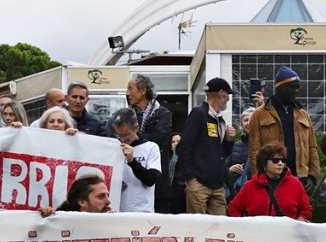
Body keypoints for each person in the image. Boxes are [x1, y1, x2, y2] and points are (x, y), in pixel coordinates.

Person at [244, 67, 322, 186]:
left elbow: (312, 148)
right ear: (280, 88)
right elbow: (254, 150)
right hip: (271, 179)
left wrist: (312, 176)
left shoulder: (303, 114)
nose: (296, 91)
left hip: (300, 179)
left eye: (297, 87)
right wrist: (258, 178)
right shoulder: (259, 115)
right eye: (293, 87)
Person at [176, 78, 240, 214]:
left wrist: (229, 140)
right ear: (221, 94)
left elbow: (223, 153)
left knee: (219, 229)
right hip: (199, 185)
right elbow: (184, 147)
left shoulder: (220, 120)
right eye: (227, 95)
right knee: (198, 229)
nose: (228, 99)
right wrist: (191, 179)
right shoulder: (199, 114)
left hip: (217, 185)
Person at [228, 146, 313, 219]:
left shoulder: (295, 184)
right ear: (264, 163)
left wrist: (301, 219)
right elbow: (233, 208)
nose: (280, 163)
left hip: (287, 236)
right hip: (257, 235)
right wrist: (243, 225)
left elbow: (306, 209)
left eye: (283, 160)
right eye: (275, 160)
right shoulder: (250, 186)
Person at [108, 107, 162, 214]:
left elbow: (151, 180)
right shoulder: (113, 147)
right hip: (117, 211)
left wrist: (132, 162)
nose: (122, 139)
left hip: (142, 211)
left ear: (136, 128)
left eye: (126, 135)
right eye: (119, 135)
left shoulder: (150, 147)